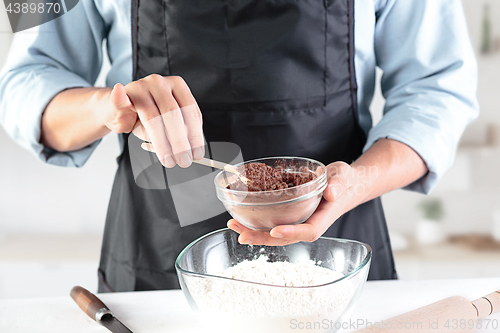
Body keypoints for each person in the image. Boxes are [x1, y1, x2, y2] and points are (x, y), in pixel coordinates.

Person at [0, 0, 478, 292]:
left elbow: (439, 89)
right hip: (157, 269)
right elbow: (20, 86)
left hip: (334, 258)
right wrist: (109, 105)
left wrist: (355, 184)